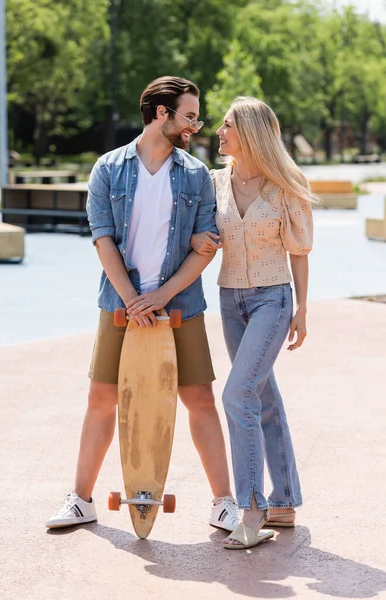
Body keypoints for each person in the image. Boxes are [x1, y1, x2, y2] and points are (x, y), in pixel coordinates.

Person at [45, 76, 241, 532]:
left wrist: (161, 295)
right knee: (101, 397)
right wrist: (134, 300)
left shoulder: (195, 174)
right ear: (161, 114)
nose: (196, 125)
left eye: (197, 117)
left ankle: (222, 503)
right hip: (119, 301)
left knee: (200, 400)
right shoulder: (109, 169)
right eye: (189, 116)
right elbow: (103, 239)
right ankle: (81, 499)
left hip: (181, 304)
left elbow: (205, 247)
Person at [191, 97, 314, 550]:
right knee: (262, 396)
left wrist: (302, 309)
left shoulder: (286, 184)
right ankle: (284, 500)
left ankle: (251, 508)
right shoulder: (214, 183)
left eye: (226, 125)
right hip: (229, 301)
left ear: (250, 132)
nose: (218, 132)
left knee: (237, 392)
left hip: (272, 299)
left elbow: (299, 251)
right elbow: (200, 232)